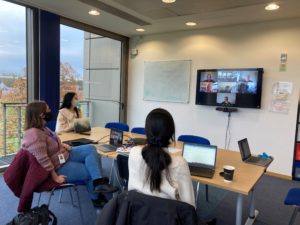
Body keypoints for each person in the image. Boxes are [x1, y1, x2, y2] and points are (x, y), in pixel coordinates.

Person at [22, 101, 118, 207]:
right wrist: (55, 177)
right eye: (48, 109)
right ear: (41, 114)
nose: (50, 111)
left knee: (90, 149)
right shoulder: (34, 134)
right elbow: (43, 160)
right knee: (90, 170)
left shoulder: (43, 128)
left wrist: (63, 145)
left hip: (63, 155)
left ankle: (98, 183)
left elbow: (51, 142)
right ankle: (96, 198)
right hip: (58, 166)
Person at [128, 108, 195, 207]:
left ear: (146, 131)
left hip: (135, 213)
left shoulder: (134, 152)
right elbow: (190, 206)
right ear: (171, 134)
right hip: (168, 217)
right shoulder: (179, 163)